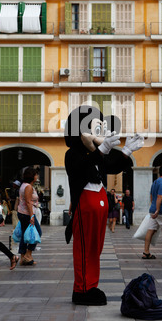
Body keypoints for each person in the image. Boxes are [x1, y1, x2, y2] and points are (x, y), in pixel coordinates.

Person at [64, 106, 143, 306]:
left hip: (98, 206)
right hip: (84, 205)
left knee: (95, 249)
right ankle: (81, 290)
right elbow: (80, 167)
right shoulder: (73, 154)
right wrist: (102, 150)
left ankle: (91, 285)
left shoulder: (96, 155)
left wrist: (126, 152)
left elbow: (112, 166)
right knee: (84, 248)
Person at [17, 167, 42, 266]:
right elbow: (28, 202)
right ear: (32, 176)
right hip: (27, 213)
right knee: (38, 232)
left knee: (24, 235)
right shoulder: (28, 187)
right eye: (36, 174)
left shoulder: (24, 185)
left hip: (22, 212)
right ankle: (28, 254)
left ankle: (23, 258)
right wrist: (32, 216)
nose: (37, 176)